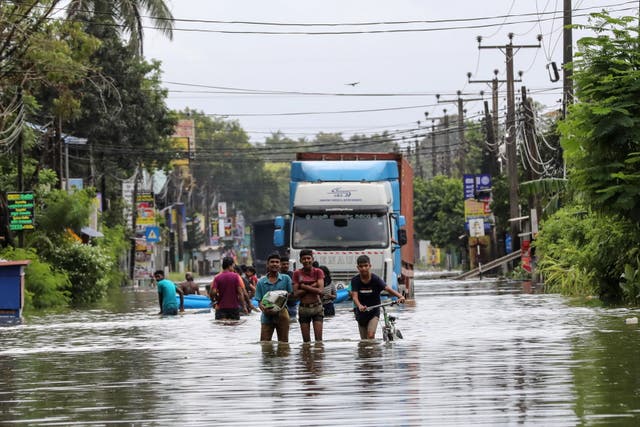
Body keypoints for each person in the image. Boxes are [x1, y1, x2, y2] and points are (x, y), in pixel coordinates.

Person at [350, 255, 405, 339]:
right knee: (364, 340)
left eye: (366, 266)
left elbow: (387, 289)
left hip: (374, 311)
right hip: (361, 312)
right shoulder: (355, 280)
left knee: (371, 336)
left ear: (370, 266)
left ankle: (374, 351)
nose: (364, 268)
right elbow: (354, 297)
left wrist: (400, 296)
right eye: (361, 266)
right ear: (358, 267)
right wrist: (359, 306)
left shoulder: (376, 279)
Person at [255, 252, 293, 342]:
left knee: (284, 344)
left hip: (282, 313)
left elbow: (291, 293)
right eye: (272, 262)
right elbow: (259, 301)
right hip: (266, 315)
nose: (275, 264)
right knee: (265, 344)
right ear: (267, 264)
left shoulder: (286, 278)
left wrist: (280, 298)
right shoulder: (261, 282)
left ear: (280, 265)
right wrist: (264, 309)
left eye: (277, 262)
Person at [293, 249, 325, 342]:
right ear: (300, 261)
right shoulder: (297, 273)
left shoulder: (318, 272)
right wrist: (313, 286)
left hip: (317, 308)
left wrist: (303, 286)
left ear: (312, 259)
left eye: (308, 258)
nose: (306, 260)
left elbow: (320, 291)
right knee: (306, 342)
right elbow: (295, 294)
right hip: (304, 309)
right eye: (304, 259)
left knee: (319, 341)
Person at [280, 254, 297, 321]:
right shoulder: (277, 275)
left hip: (292, 304)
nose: (286, 266)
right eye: (284, 264)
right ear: (280, 264)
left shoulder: (293, 274)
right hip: (280, 305)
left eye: (287, 264)